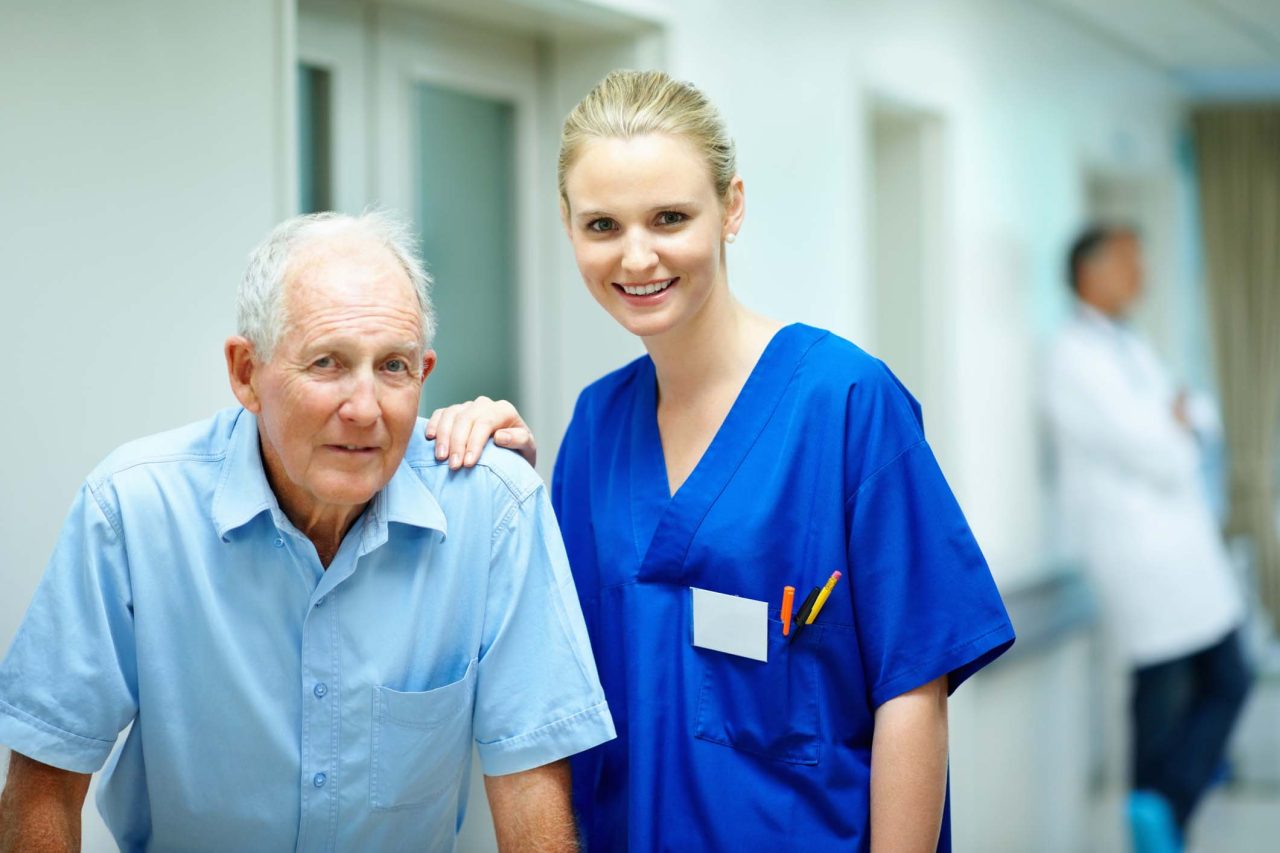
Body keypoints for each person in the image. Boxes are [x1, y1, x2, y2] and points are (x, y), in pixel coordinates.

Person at [426, 70, 1014, 851]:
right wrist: (500, 481)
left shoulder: (843, 403)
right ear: (567, 226)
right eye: (602, 225)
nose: (637, 257)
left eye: (670, 217)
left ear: (731, 208)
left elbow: (913, 688)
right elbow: (552, 668)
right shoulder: (595, 429)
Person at [0, 212, 614, 852]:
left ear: (424, 374)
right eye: (327, 363)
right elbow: (44, 784)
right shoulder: (131, 510)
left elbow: (529, 791)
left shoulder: (492, 508)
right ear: (246, 373)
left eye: (394, 367)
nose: (365, 408)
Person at [1044, 225, 1251, 852]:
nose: (1144, 273)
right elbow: (1156, 448)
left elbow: (1197, 416)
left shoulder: (1129, 346)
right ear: (1091, 272)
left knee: (1226, 676)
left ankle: (1162, 807)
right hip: (1137, 551)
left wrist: (1181, 424)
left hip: (1180, 547)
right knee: (1163, 687)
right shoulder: (1070, 355)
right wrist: (1179, 425)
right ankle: (1157, 815)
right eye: (1131, 261)